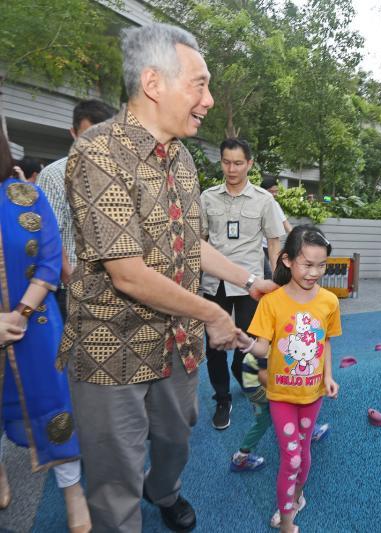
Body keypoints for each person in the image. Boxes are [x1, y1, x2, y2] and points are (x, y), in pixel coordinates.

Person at [60, 23, 277, 532]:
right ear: (154, 83)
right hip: (111, 347)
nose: (209, 98)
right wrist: (213, 314)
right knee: (116, 473)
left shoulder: (179, 158)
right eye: (199, 84)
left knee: (178, 437)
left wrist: (249, 280)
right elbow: (128, 273)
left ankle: (164, 491)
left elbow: (192, 244)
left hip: (176, 340)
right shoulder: (96, 153)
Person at [0, 130, 90, 532]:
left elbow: (52, 257)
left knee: (56, 406)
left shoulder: (24, 195)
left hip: (33, 326)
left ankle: (73, 494)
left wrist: (19, 312)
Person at [235, 225, 341, 533]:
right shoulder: (272, 302)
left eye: (321, 265)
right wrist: (243, 341)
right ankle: (287, 523)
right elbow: (262, 348)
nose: (315, 272)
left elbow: (326, 343)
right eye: (307, 264)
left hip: (313, 395)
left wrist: (329, 376)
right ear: (287, 261)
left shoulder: (329, 302)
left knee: (304, 451)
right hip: (281, 395)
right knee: (291, 457)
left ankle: (296, 497)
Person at [200, 138, 285, 430]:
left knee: (249, 341)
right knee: (214, 345)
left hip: (251, 283)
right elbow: (199, 241)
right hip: (215, 283)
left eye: (238, 163)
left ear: (249, 163)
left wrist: (277, 284)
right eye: (226, 162)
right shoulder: (207, 197)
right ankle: (222, 399)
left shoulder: (264, 200)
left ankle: (241, 372)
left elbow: (274, 245)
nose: (231, 168)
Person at [37, 99, 117, 317]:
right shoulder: (54, 176)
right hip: (71, 288)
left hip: (114, 290)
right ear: (73, 133)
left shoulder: (120, 174)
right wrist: (71, 281)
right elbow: (50, 236)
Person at [261, 176, 294, 280]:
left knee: (274, 274)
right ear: (263, 191)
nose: (274, 194)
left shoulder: (274, 204)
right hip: (258, 246)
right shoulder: (255, 203)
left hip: (271, 246)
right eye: (271, 191)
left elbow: (285, 223)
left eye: (276, 192)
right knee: (266, 274)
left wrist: (298, 236)